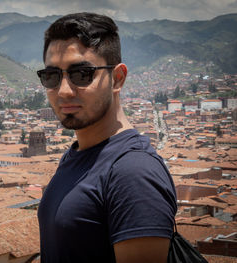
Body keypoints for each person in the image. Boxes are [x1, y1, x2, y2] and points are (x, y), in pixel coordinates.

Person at [36, 12, 177, 263]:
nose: (64, 91)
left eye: (82, 74)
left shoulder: (133, 172)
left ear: (117, 78)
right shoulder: (77, 155)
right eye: (52, 76)